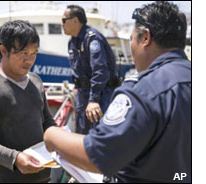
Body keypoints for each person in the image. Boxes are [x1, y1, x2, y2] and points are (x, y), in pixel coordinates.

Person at [44, 1, 191, 183]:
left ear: (145, 37)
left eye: (131, 39)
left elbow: (100, 155)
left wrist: (53, 136)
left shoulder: (143, 91)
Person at [0, 20, 56, 183]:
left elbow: (47, 121)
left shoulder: (36, 81)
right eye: (23, 53)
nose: (29, 60)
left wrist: (61, 141)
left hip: (44, 176)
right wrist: (14, 158)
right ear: (3, 50)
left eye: (34, 53)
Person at [62, 5, 119, 134]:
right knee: (83, 132)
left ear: (75, 20)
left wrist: (94, 100)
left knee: (99, 133)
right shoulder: (72, 42)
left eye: (64, 20)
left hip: (100, 94)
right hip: (83, 94)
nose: (62, 24)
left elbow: (100, 71)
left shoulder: (92, 38)